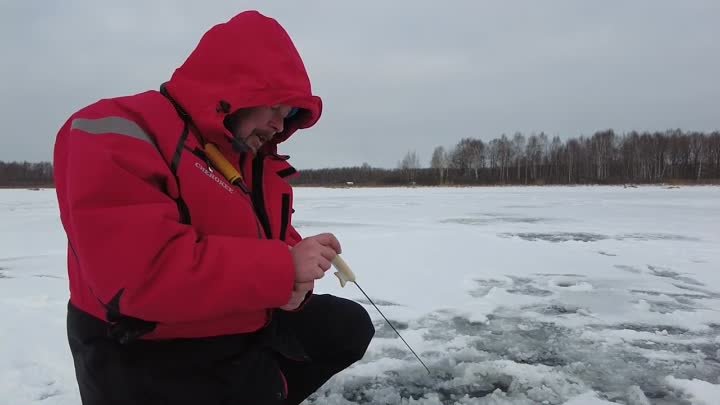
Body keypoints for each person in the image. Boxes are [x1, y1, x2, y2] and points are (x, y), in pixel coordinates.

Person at [52, 10, 374, 405]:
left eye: (290, 113)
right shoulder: (116, 130)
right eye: (276, 104)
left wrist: (299, 279)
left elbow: (266, 236)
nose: (279, 123)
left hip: (236, 322)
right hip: (145, 350)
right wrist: (283, 268)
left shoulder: (246, 155)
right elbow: (139, 275)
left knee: (346, 327)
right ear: (237, 86)